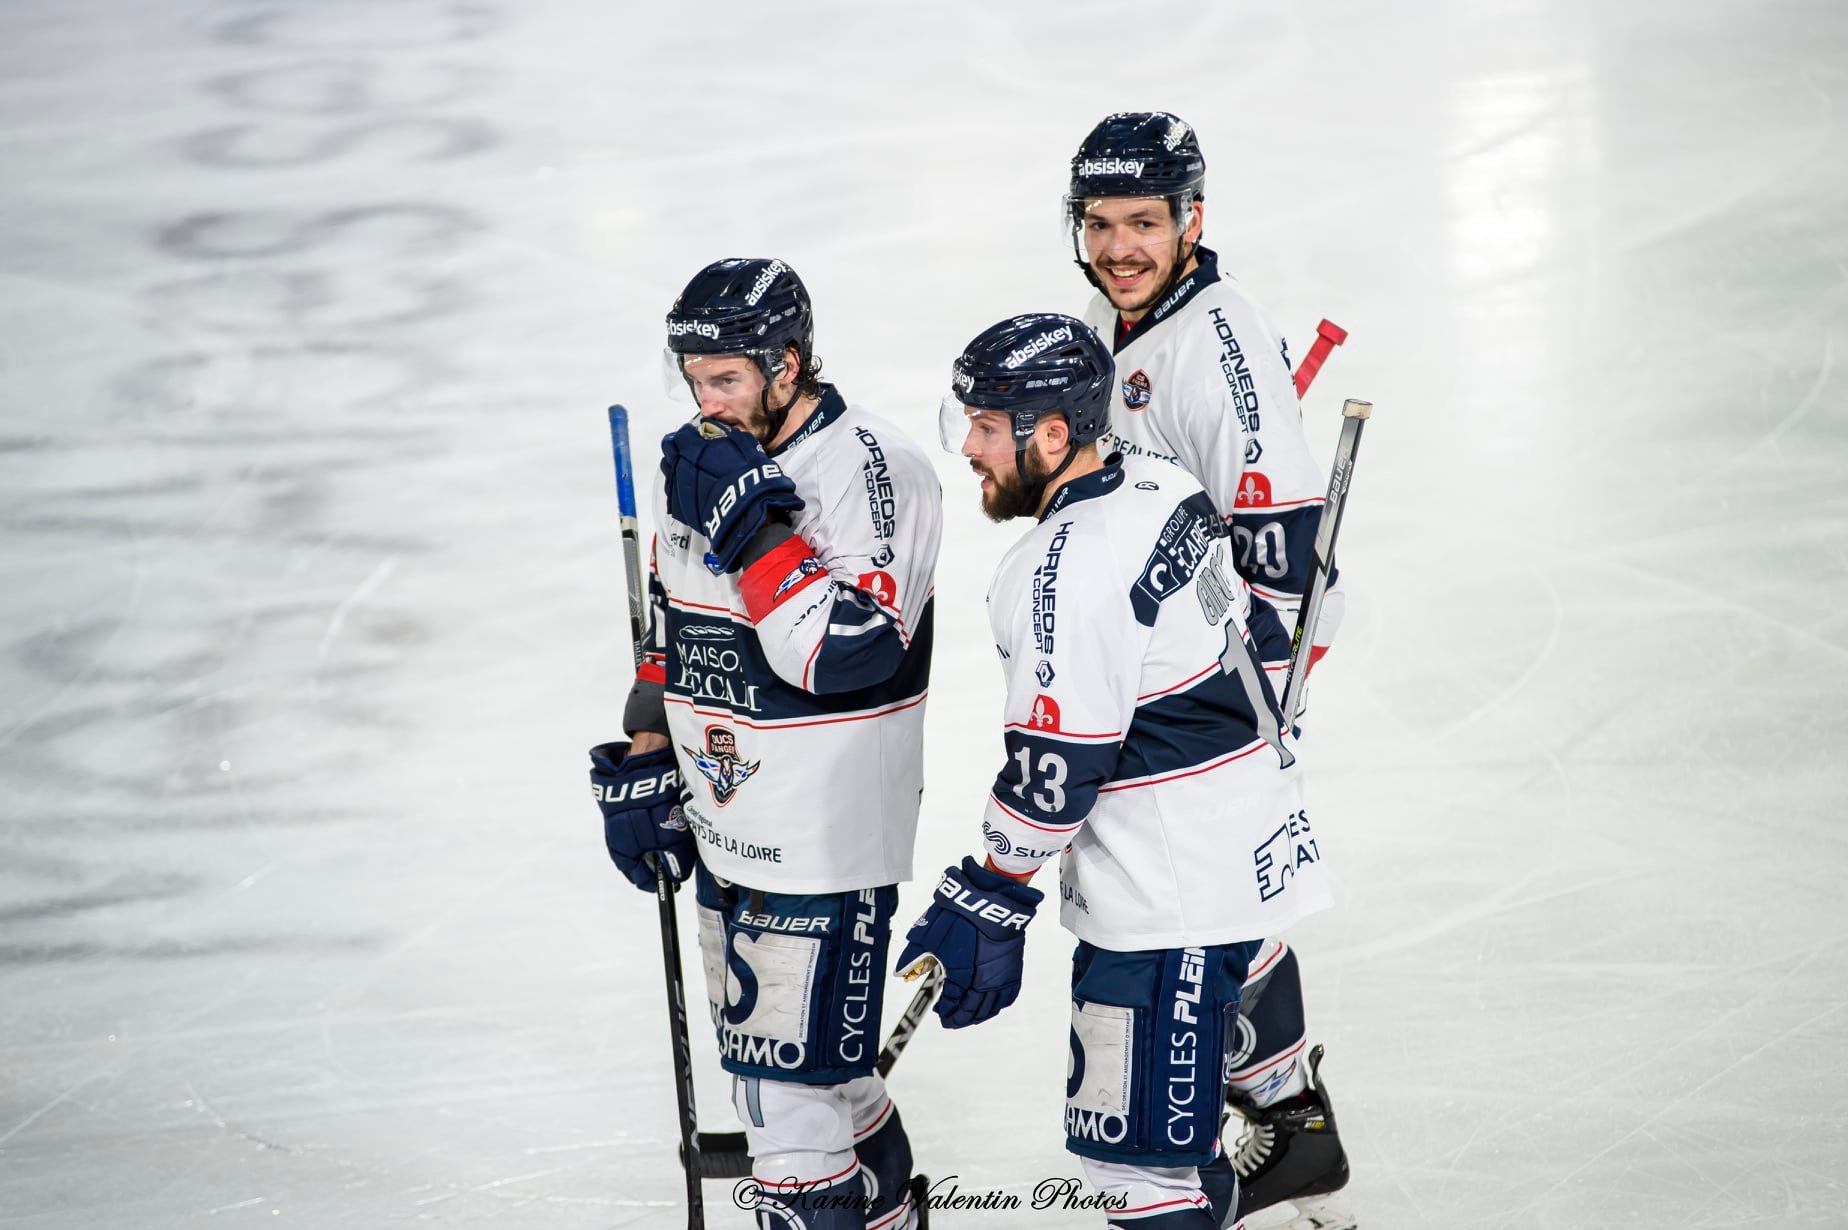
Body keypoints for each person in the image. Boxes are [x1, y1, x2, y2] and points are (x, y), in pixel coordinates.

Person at [898, 314, 1331, 1229]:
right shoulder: (1161, 479)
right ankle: (1297, 1122)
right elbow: (1248, 628)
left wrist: (993, 887)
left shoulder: (1061, 564)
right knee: (1237, 971)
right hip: (1246, 836)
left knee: (1142, 1175)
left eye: (984, 427)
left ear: (1052, 435)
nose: (968, 449)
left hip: (1164, 889)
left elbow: (1057, 766)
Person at [589, 258, 942, 1230]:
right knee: (811, 1084)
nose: (708, 402)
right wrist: (650, 753)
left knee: (788, 1120)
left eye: (728, 379)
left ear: (788, 364)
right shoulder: (701, 460)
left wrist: (753, 525)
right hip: (728, 827)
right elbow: (677, 634)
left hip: (824, 841)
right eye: (694, 379)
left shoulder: (874, 467)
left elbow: (849, 654)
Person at [1066, 112, 1354, 1216]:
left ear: (1193, 220)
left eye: (1145, 222)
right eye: (1100, 223)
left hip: (1233, 675)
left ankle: (1267, 1124)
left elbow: (1285, 554)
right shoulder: (1113, 312)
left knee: (1194, 898)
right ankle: (1289, 1121)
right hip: (1167, 666)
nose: (1121, 245)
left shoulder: (1217, 338)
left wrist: (1247, 702)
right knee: (1225, 893)